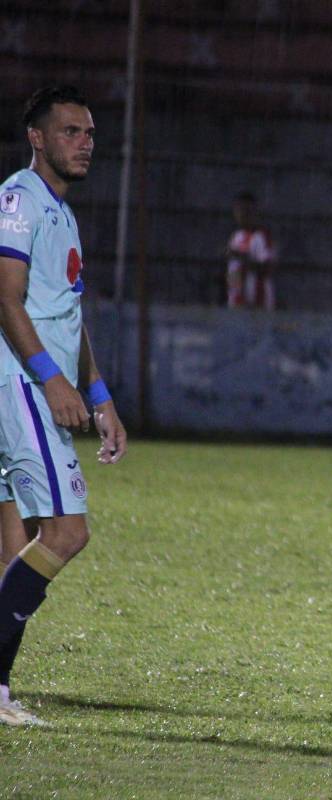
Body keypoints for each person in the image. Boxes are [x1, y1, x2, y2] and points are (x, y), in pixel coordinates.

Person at [0, 85, 128, 726]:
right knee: (66, 533)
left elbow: (65, 316)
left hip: (31, 382)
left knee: (13, 549)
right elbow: (6, 298)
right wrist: (53, 382)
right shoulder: (19, 199)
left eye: (90, 133)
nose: (85, 143)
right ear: (37, 138)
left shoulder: (62, 213)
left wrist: (100, 395)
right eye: (70, 132)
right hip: (21, 384)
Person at [225, 191, 277, 310]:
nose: (242, 214)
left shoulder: (262, 237)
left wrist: (241, 257)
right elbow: (233, 270)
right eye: (239, 210)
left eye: (247, 211)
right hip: (236, 303)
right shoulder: (236, 237)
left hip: (258, 304)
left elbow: (268, 268)